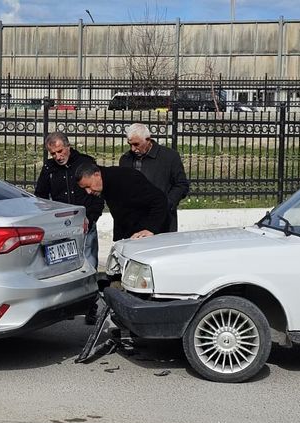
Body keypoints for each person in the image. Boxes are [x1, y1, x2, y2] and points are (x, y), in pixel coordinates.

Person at [34, 132, 105, 324]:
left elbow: (97, 195)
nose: (57, 156)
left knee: (89, 265)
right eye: (52, 153)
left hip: (84, 222)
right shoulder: (49, 168)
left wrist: (91, 218)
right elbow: (40, 196)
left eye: (59, 151)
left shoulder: (85, 162)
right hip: (61, 227)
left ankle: (91, 306)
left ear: (67, 146)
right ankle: (67, 306)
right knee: (62, 268)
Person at [118, 123, 190, 231]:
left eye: (137, 144)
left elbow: (181, 185)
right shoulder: (126, 159)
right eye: (130, 144)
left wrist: (167, 203)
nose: (133, 149)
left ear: (148, 140)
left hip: (162, 221)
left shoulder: (169, 157)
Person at [75, 164, 169, 241]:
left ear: (97, 175)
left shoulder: (127, 178)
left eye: (88, 186)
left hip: (148, 235)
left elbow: (160, 200)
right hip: (130, 236)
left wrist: (150, 228)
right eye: (84, 189)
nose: (88, 191)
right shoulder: (103, 183)